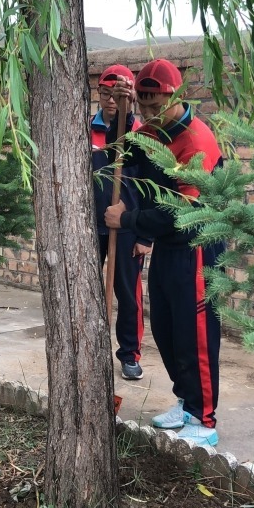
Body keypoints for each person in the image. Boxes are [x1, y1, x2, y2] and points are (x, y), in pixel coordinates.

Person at [104, 58, 224, 448]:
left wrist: (130, 219)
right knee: (167, 328)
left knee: (196, 332)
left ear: (175, 96)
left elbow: (183, 214)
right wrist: (117, 116)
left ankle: (205, 420)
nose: (149, 114)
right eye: (143, 105)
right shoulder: (152, 130)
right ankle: (187, 403)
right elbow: (122, 159)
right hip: (168, 249)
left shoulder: (196, 141)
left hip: (197, 245)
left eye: (156, 106)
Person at [92, 64, 149, 381]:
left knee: (128, 294)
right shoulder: (87, 130)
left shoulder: (140, 135)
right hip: (91, 227)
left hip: (127, 228)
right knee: (87, 290)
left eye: (117, 94)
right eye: (105, 92)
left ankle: (129, 354)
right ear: (100, 94)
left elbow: (148, 187)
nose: (111, 100)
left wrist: (144, 235)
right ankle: (92, 348)